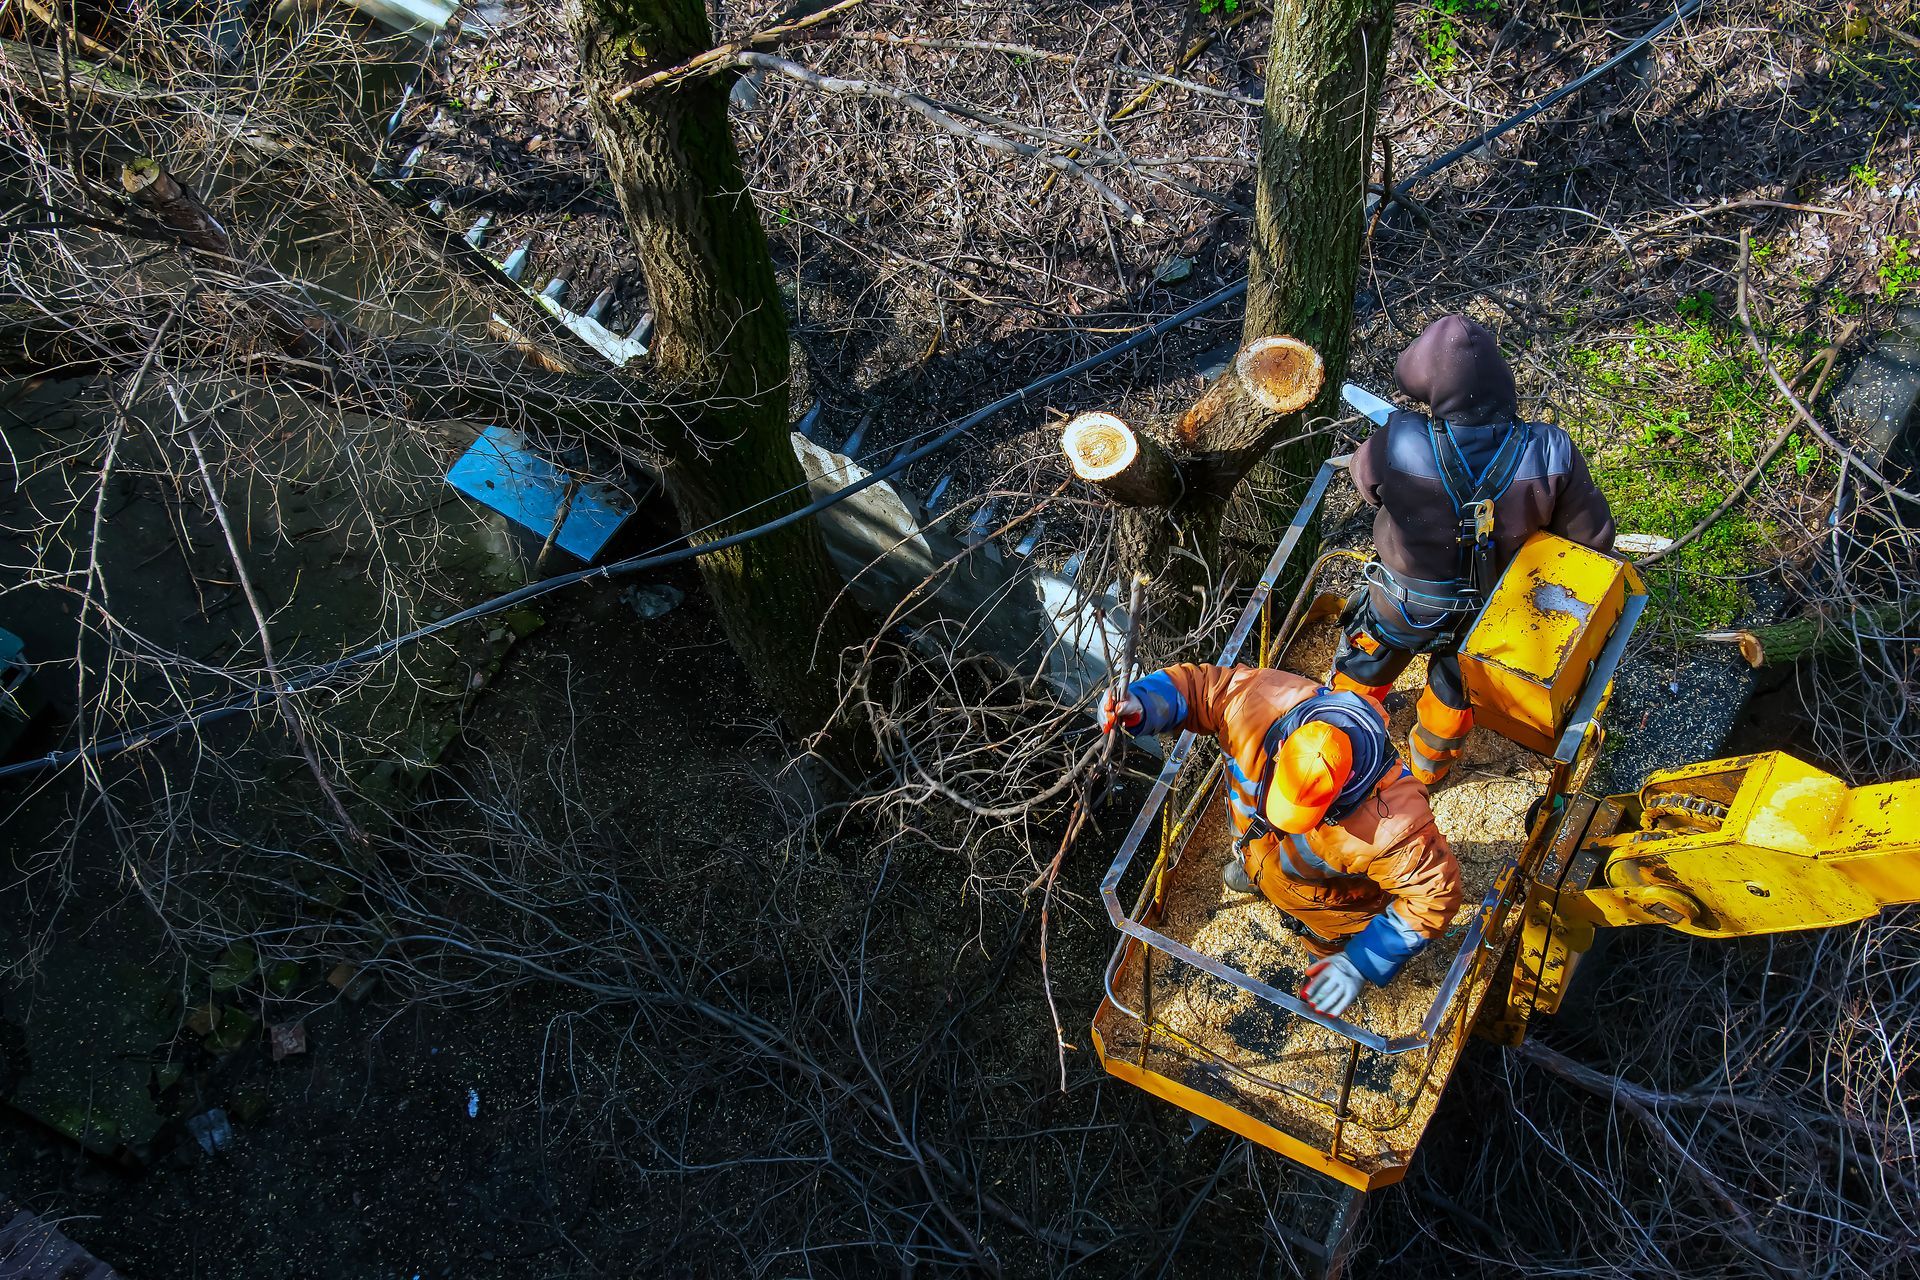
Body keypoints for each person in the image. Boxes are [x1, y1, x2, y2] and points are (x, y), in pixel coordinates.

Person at [1334, 314, 1615, 784]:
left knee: (1363, 666)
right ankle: (1426, 773)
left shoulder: (1399, 437)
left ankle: (1339, 755)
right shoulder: (1552, 450)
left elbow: (1368, 487)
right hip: (1489, 618)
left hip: (1403, 604)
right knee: (1453, 693)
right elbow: (1591, 543)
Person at [1101, 664, 1461, 1018]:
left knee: (1325, 942)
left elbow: (1436, 894)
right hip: (1255, 846)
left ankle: (1326, 956)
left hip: (1328, 902)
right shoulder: (1262, 702)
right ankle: (1255, 871)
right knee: (1259, 854)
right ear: (1285, 744)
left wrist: (1359, 962)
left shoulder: (1394, 824)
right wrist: (1145, 701)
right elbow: (1202, 689)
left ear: (1347, 783)